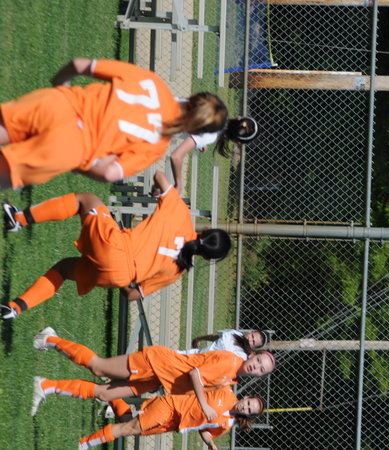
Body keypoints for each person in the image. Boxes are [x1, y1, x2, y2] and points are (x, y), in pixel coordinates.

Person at [1, 171, 231, 320]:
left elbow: (160, 175)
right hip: (118, 277)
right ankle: (15, 308)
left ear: (207, 230)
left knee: (86, 200)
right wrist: (121, 278)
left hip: (116, 246)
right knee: (63, 269)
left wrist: (158, 190)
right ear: (206, 257)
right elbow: (132, 295)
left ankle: (18, 219)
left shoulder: (181, 214)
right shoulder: (179, 270)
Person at [0, 58, 228, 189]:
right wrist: (81, 163)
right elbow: (109, 173)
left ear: (193, 97)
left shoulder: (153, 82)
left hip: (59, 103)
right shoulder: (157, 145)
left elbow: (80, 64)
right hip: (70, 146)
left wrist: (60, 86)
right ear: (195, 130)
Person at [29, 326, 276, 418]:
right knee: (99, 366)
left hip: (159, 380)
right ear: (253, 355)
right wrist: (204, 405)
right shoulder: (231, 362)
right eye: (258, 362)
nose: (256, 367)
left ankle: (45, 386)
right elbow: (195, 374)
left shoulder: (232, 377)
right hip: (156, 363)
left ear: (259, 376)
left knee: (105, 394)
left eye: (261, 370)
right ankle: (49, 339)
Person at [77, 387, 263, 450]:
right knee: (129, 428)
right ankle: (84, 443)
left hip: (173, 424)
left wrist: (210, 444)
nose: (245, 407)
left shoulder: (227, 424)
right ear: (246, 397)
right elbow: (199, 382)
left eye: (248, 410)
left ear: (247, 415)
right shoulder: (226, 391)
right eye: (248, 403)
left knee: (127, 422)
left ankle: (107, 392)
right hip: (171, 406)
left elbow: (205, 430)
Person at [171, 116, 258, 193]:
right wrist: (178, 184)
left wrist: (199, 141)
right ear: (237, 142)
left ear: (238, 117)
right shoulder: (211, 135)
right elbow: (176, 156)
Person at [178, 329, 271, 357]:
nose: (250, 339)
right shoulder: (233, 333)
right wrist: (200, 339)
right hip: (192, 355)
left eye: (253, 342)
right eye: (252, 336)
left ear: (253, 348)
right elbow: (215, 337)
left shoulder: (242, 357)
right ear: (251, 332)